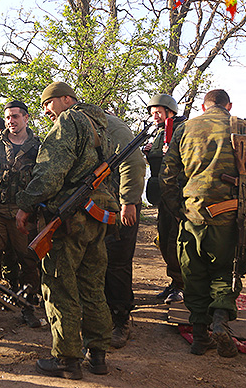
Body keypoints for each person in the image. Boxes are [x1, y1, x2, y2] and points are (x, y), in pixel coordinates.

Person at [16, 82, 118, 380]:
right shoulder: (103, 125)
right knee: (92, 283)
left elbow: (50, 171)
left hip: (72, 216)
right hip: (98, 214)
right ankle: (97, 354)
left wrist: (26, 204)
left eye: (48, 103)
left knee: (60, 284)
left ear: (65, 99)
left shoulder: (69, 120)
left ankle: (67, 359)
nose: (46, 111)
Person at [160, 89, 246, 358]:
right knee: (226, 272)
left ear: (204, 107)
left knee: (193, 274)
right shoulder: (241, 127)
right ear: (228, 105)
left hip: (192, 214)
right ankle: (219, 318)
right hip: (230, 216)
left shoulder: (185, 128)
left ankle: (199, 337)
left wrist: (178, 211)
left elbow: (167, 175)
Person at [0, 100, 41, 328]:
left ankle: (27, 306)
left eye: (15, 116)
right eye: (8, 117)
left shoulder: (37, 147)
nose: (11, 121)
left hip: (22, 214)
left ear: (26, 118)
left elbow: (42, 180)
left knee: (28, 261)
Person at [104, 113, 146, 348]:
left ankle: (121, 320)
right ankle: (104, 316)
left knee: (117, 262)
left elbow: (134, 163)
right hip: (99, 205)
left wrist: (128, 201)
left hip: (120, 205)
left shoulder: (112, 127)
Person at [142, 93, 187, 304]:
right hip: (163, 196)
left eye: (158, 112)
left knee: (174, 242)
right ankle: (174, 282)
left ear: (170, 111)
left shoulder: (182, 129)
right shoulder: (160, 132)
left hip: (177, 195)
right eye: (153, 113)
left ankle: (182, 285)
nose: (155, 116)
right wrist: (149, 152)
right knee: (163, 238)